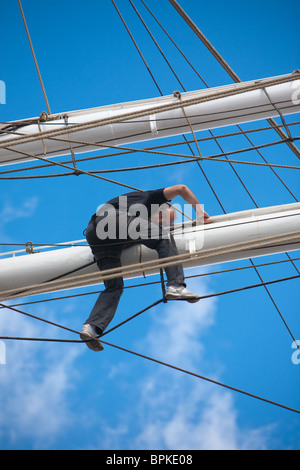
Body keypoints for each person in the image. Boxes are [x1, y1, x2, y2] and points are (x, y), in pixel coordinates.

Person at [80, 184, 210, 351]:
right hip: (112, 220)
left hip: (98, 236)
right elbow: (182, 189)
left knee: (114, 287)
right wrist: (199, 211)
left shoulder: (136, 225)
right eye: (164, 219)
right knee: (163, 237)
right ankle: (176, 286)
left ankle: (91, 328)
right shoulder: (148, 198)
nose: (164, 223)